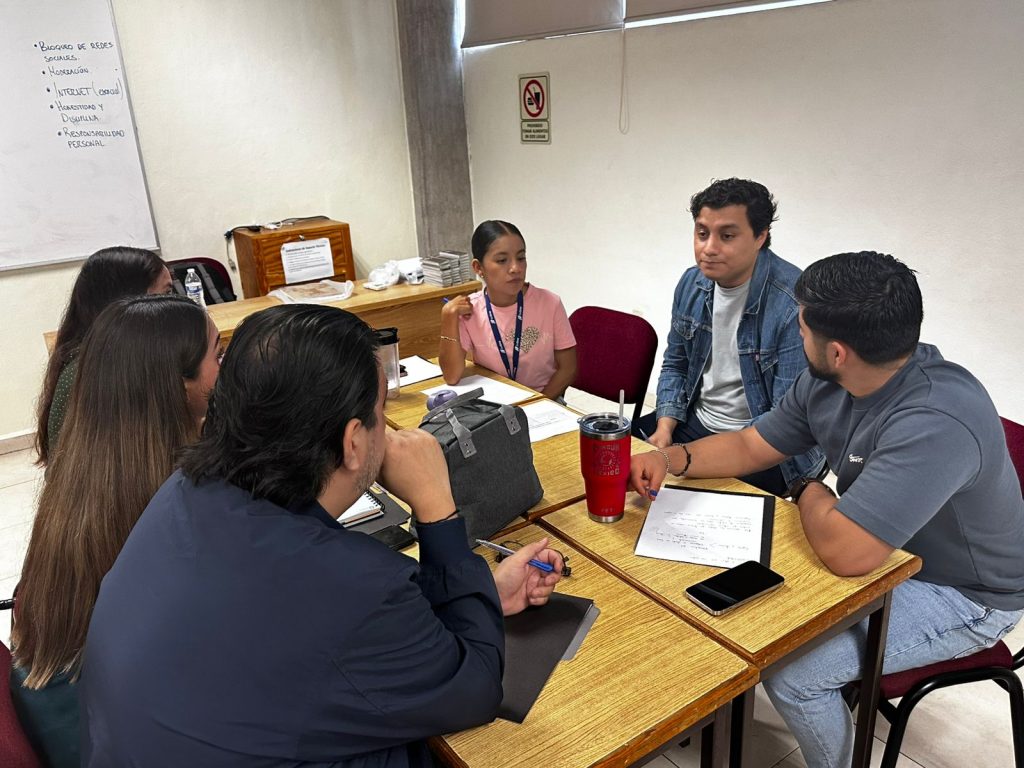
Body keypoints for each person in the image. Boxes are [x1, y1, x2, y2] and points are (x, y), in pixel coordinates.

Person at [79, 304, 564, 767]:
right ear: (353, 442)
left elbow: (306, 629)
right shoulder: (357, 588)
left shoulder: (184, 490)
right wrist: (437, 506)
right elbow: (477, 688)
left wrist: (479, 593)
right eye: (380, 411)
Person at [630, 252, 1024, 768]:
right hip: (887, 553)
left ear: (836, 352)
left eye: (801, 325)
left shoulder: (936, 417)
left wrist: (809, 489)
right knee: (732, 605)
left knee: (795, 672)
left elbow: (846, 553)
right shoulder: (831, 379)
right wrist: (670, 458)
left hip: (965, 594)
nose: (795, 331)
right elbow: (751, 445)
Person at [10, 295, 220, 768]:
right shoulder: (177, 502)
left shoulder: (83, 471)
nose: (224, 370)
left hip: (85, 721)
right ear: (178, 385)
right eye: (218, 355)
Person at [636, 179, 823, 496]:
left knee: (699, 511)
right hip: (694, 422)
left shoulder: (792, 304)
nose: (709, 248)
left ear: (760, 236)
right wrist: (665, 426)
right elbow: (676, 364)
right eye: (702, 233)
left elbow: (785, 420)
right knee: (617, 463)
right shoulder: (691, 283)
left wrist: (693, 457)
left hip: (764, 446)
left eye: (727, 236)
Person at [35, 246, 173, 465]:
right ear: (128, 302)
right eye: (164, 295)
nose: (174, 306)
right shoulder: (93, 372)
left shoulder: (120, 355)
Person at [439, 220, 577, 399]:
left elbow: (568, 368)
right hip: (494, 404)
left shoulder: (550, 303)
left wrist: (537, 403)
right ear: (478, 268)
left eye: (521, 258)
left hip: (544, 401)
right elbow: (451, 376)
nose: (515, 268)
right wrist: (448, 316)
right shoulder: (469, 310)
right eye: (502, 260)